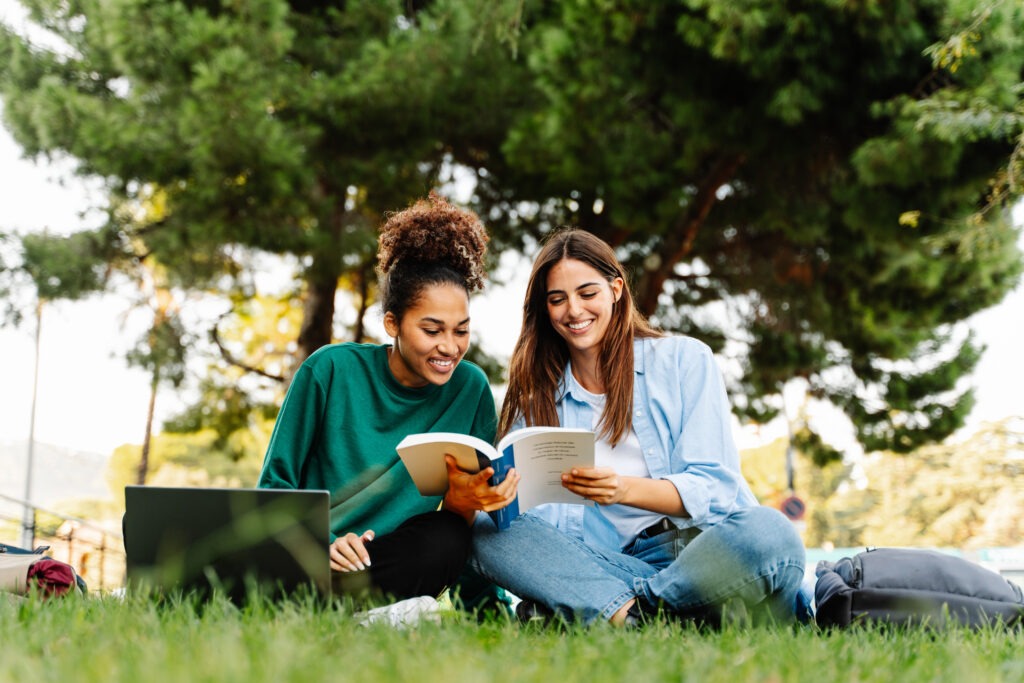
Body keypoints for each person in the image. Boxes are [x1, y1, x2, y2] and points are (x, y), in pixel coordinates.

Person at [470, 229, 806, 627]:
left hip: (704, 554)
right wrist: (498, 498)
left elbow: (716, 489)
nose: (573, 310)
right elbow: (540, 534)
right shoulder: (539, 401)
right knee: (481, 528)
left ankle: (630, 613)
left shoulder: (683, 361)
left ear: (615, 289)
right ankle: (663, 616)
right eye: (557, 299)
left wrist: (622, 490)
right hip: (614, 565)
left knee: (770, 532)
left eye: (587, 293)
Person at [257, 192, 519, 613]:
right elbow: (274, 487)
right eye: (432, 330)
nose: (449, 347)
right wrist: (323, 544)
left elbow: (470, 513)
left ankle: (336, 610)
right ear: (392, 323)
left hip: (388, 562)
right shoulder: (330, 370)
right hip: (312, 555)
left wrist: (487, 609)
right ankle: (344, 610)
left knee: (446, 535)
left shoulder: (469, 389)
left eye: (461, 330)